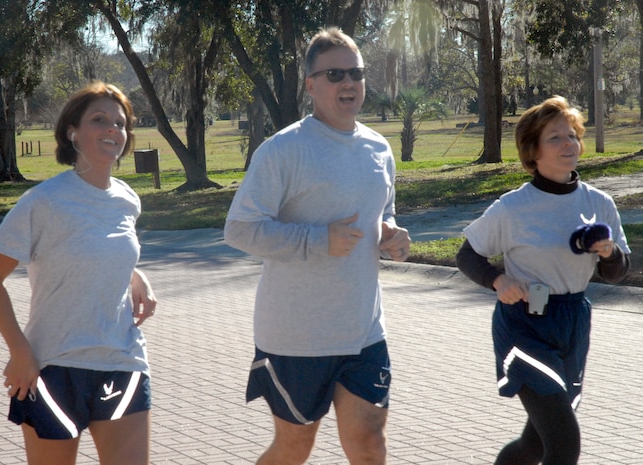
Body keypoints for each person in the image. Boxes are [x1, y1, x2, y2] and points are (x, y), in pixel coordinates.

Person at [223, 27, 410, 465]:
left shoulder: (379, 149)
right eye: (334, 74)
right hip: (296, 335)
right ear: (310, 84)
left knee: (368, 443)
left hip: (364, 331)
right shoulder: (283, 150)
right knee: (294, 447)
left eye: (356, 73)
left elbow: (382, 214)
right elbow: (240, 229)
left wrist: (389, 235)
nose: (348, 83)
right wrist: (317, 239)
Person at [0, 81, 157, 465]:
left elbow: (104, 252)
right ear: (72, 132)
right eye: (99, 120)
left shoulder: (127, 200)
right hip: (53, 367)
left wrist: (134, 276)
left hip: (121, 362)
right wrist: (19, 350)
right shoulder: (43, 201)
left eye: (120, 123)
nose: (113, 130)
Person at [456, 95, 630, 465]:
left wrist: (609, 253)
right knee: (564, 444)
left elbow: (617, 272)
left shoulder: (599, 203)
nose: (568, 144)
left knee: (533, 445)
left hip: (573, 323)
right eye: (555, 137)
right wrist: (497, 280)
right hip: (524, 325)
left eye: (572, 135)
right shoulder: (512, 207)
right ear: (532, 150)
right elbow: (467, 255)